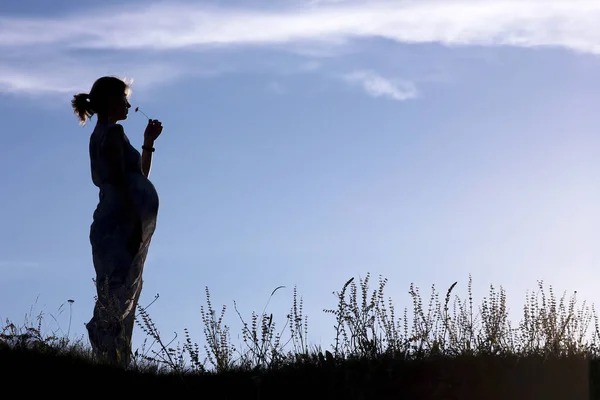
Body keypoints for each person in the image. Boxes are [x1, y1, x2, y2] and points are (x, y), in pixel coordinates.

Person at [71, 76, 163, 367]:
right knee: (118, 295)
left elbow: (138, 178)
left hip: (118, 224)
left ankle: (116, 362)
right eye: (124, 98)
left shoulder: (108, 135)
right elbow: (120, 184)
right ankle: (107, 354)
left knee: (122, 293)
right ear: (111, 100)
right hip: (119, 226)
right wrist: (133, 224)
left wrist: (148, 143)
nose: (128, 104)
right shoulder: (111, 134)